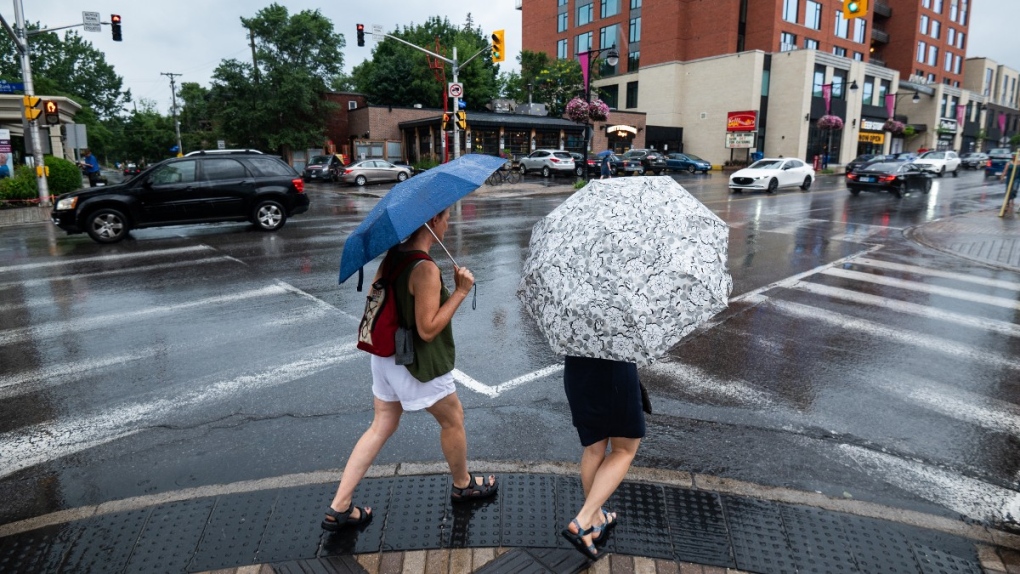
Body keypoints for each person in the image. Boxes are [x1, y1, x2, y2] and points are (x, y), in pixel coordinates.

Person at [322, 208, 497, 532]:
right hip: (416, 363)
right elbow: (428, 330)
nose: (448, 225)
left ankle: (340, 506)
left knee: (381, 426)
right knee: (453, 419)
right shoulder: (425, 269)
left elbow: (377, 301)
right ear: (432, 221)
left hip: (385, 358)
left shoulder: (392, 257)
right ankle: (464, 484)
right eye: (446, 219)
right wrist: (459, 292)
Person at [560, 355, 645, 560]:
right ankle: (583, 520)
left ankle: (596, 520)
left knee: (594, 449)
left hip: (578, 373)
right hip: (615, 371)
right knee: (624, 450)